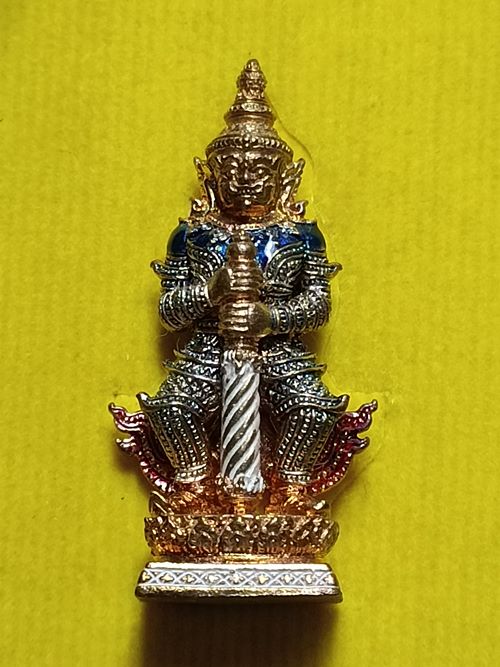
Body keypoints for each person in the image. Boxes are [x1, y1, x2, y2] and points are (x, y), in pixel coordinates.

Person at [138, 59, 348, 512]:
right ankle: (195, 486)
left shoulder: (300, 235)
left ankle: (290, 488)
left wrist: (268, 317)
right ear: (213, 174)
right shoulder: (192, 235)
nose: (245, 181)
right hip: (208, 348)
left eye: (258, 171)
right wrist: (210, 292)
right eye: (232, 170)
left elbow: (318, 304)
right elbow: (168, 312)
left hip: (277, 349)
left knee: (314, 410)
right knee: (170, 410)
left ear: (282, 177)